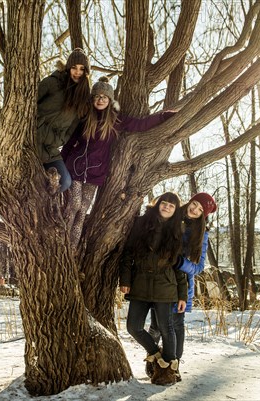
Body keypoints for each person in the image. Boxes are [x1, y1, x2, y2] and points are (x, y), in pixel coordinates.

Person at [61, 77, 176, 247]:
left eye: (104, 97)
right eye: (97, 96)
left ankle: (69, 250)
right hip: (75, 168)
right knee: (73, 206)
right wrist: (60, 165)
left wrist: (165, 116)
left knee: (83, 211)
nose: (100, 100)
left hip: (95, 173)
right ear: (92, 99)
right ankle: (60, 242)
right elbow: (69, 143)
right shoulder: (84, 118)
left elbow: (141, 124)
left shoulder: (115, 120)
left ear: (109, 100)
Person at [146, 192, 218, 382]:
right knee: (155, 325)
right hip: (159, 281)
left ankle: (174, 366)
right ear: (190, 201)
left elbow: (199, 267)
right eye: (195, 204)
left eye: (200, 210)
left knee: (176, 325)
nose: (194, 210)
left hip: (181, 286)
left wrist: (180, 263)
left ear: (204, 216)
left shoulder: (202, 235)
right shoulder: (173, 216)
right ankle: (152, 361)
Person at [119, 192, 188, 385]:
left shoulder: (177, 231)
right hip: (140, 282)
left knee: (167, 329)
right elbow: (127, 253)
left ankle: (167, 373)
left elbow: (179, 267)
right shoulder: (141, 223)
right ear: (157, 204)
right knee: (133, 327)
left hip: (165, 285)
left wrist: (183, 295)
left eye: (171, 206)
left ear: (175, 211)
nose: (166, 207)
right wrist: (125, 279)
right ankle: (157, 355)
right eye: (164, 203)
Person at [37, 48, 91, 192]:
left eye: (81, 69)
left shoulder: (82, 101)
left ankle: (44, 206)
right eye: (74, 67)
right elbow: (28, 106)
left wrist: (55, 140)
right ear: (68, 68)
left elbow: (67, 134)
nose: (77, 72)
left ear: (86, 72)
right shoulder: (52, 83)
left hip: (50, 148)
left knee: (65, 182)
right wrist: (38, 127)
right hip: (31, 136)